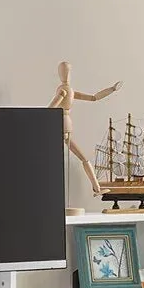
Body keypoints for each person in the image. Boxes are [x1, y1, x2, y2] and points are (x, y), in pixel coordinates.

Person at [48, 61, 122, 195]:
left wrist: (111, 89)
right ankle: (96, 187)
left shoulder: (68, 90)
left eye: (69, 72)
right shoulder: (64, 91)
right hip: (61, 125)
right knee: (77, 158)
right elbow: (50, 109)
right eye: (65, 72)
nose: (68, 75)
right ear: (61, 74)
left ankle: (96, 188)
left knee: (83, 158)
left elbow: (94, 97)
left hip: (64, 126)